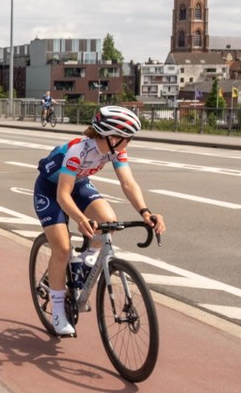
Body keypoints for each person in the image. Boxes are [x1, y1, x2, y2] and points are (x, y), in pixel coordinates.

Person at [32, 105, 166, 337]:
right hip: (51, 190)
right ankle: (57, 310)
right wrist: (81, 219)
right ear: (109, 136)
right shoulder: (79, 150)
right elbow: (63, 195)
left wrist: (146, 212)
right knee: (62, 249)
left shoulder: (115, 150)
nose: (128, 143)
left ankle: (85, 259)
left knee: (108, 221)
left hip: (78, 183)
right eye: (126, 138)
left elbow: (128, 183)